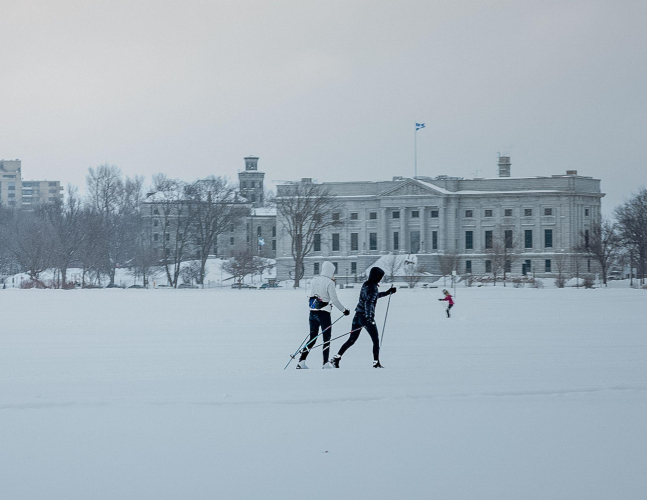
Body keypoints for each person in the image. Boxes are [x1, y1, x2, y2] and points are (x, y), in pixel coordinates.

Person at [329, 266, 396, 369]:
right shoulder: (373, 287)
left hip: (357, 316)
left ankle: (336, 358)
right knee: (375, 340)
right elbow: (369, 302)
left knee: (351, 340)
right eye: (380, 277)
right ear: (376, 276)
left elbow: (373, 296)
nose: (380, 279)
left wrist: (387, 292)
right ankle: (376, 362)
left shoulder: (366, 284)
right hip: (365, 317)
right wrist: (369, 318)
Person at [297, 261, 350, 369]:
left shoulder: (314, 280)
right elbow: (334, 300)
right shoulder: (330, 283)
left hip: (312, 312)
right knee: (326, 338)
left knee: (312, 337)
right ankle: (325, 363)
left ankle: (301, 361)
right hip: (324, 314)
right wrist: (344, 310)